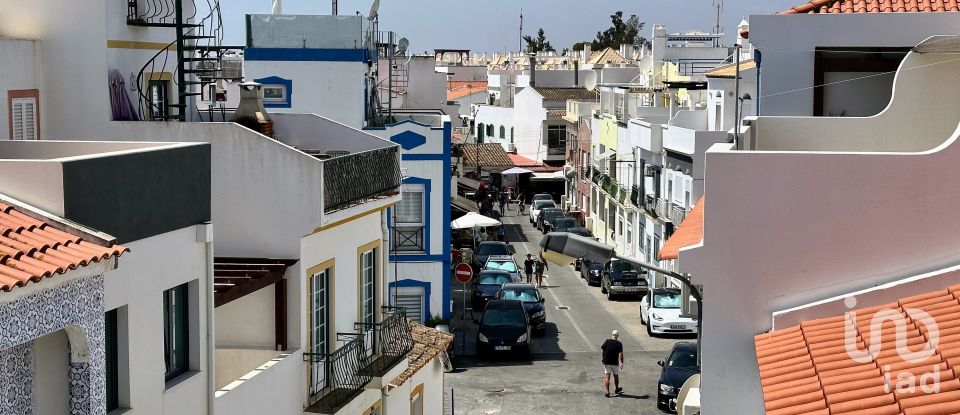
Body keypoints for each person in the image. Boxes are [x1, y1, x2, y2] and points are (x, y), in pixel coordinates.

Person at [601, 330, 625, 398]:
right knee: (616, 376)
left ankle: (607, 392)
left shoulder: (607, 341)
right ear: (617, 336)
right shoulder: (619, 344)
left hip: (607, 362)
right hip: (615, 363)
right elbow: (621, 354)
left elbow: (603, 350)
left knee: (607, 377)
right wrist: (621, 363)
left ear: (612, 335)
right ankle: (617, 389)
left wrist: (603, 359)